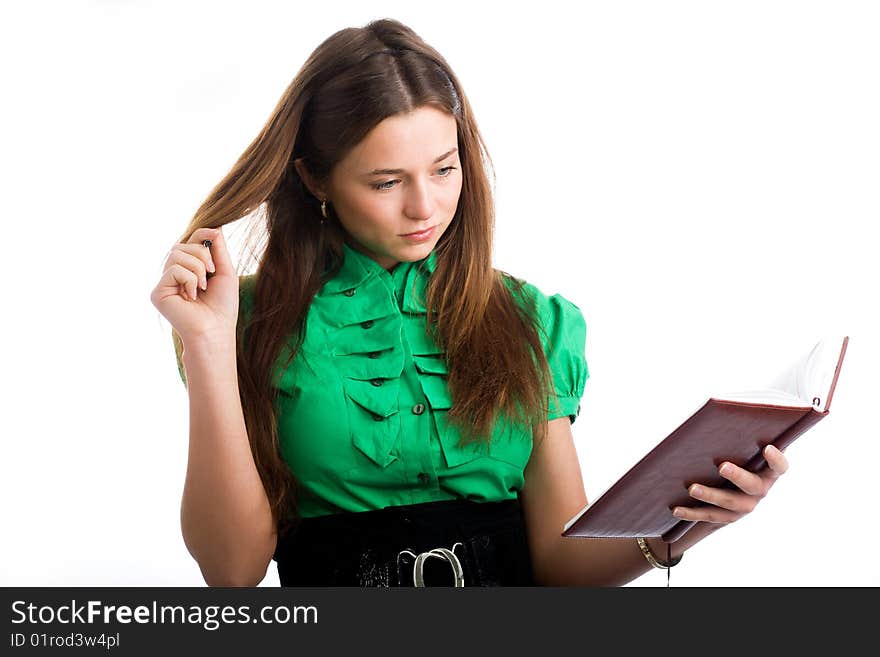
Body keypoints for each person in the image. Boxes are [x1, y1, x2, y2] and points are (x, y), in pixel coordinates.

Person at [150, 18, 789, 587]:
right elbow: (231, 574)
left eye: (444, 169)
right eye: (386, 181)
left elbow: (563, 568)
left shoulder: (527, 317)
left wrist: (685, 523)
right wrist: (208, 345)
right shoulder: (246, 321)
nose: (425, 207)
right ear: (315, 178)